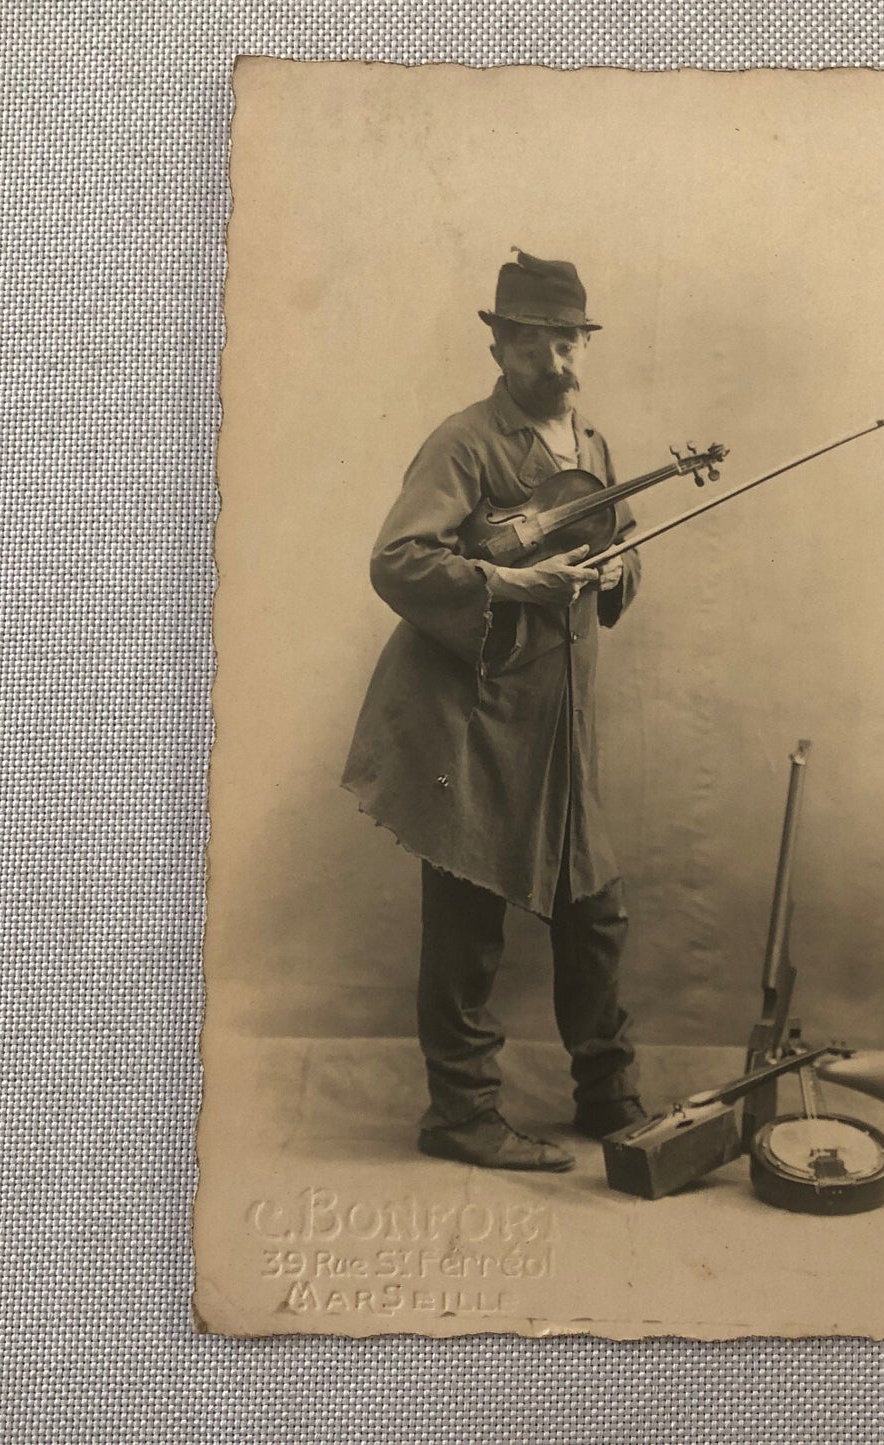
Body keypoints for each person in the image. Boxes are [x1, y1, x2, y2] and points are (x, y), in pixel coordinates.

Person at [342, 250, 648, 1171]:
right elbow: (398, 560)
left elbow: (616, 547)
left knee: (591, 908)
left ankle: (610, 1098)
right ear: (502, 348)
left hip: (558, 724)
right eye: (537, 345)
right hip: (470, 713)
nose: (558, 364)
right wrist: (512, 579)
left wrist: (621, 569)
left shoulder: (591, 446)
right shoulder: (465, 441)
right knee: (470, 915)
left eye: (570, 342)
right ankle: (463, 1117)